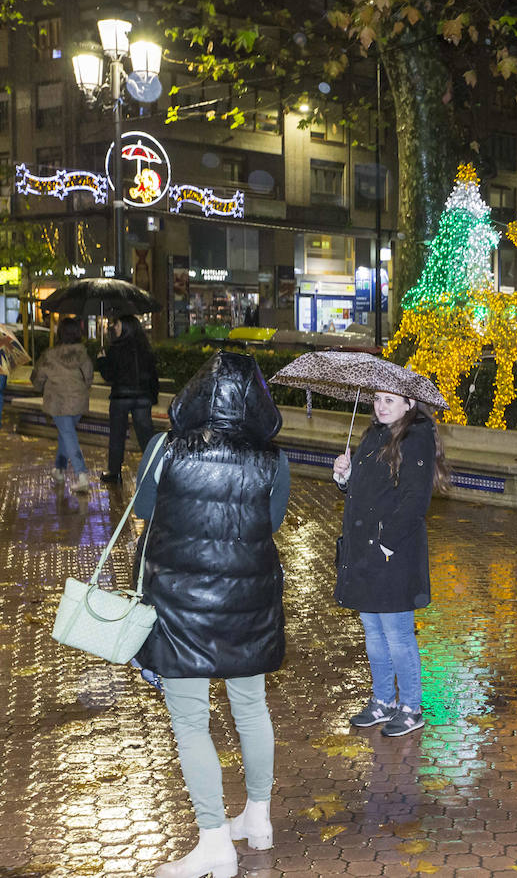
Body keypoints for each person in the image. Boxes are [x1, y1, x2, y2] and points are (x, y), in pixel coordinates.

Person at [133, 351, 291, 878]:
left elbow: (144, 513)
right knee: (251, 708)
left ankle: (214, 842)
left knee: (190, 720)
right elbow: (270, 522)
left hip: (181, 607)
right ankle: (259, 820)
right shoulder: (274, 461)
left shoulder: (163, 450)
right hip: (248, 603)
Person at [333, 390, 449, 738]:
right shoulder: (374, 434)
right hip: (365, 550)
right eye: (377, 399)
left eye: (390, 400)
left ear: (409, 404)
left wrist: (386, 544)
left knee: (397, 635)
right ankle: (382, 700)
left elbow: (416, 500)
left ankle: (410, 707)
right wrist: (344, 476)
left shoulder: (416, 437)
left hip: (392, 553)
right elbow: (367, 490)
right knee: (373, 632)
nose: (380, 406)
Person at [32, 317, 94, 493]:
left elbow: (38, 379)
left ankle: (82, 475)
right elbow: (88, 379)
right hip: (78, 402)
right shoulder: (83, 354)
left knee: (68, 435)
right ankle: (59, 470)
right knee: (65, 435)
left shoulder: (50, 355)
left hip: (58, 403)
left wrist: (40, 387)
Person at [97, 314, 159, 484]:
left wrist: (102, 361)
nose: (114, 328)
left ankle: (114, 472)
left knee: (117, 435)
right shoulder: (145, 348)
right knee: (146, 436)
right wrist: (152, 397)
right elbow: (153, 376)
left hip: (121, 397)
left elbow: (109, 375)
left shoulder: (115, 349)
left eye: (116, 325)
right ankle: (156, 470)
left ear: (126, 327)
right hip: (142, 398)